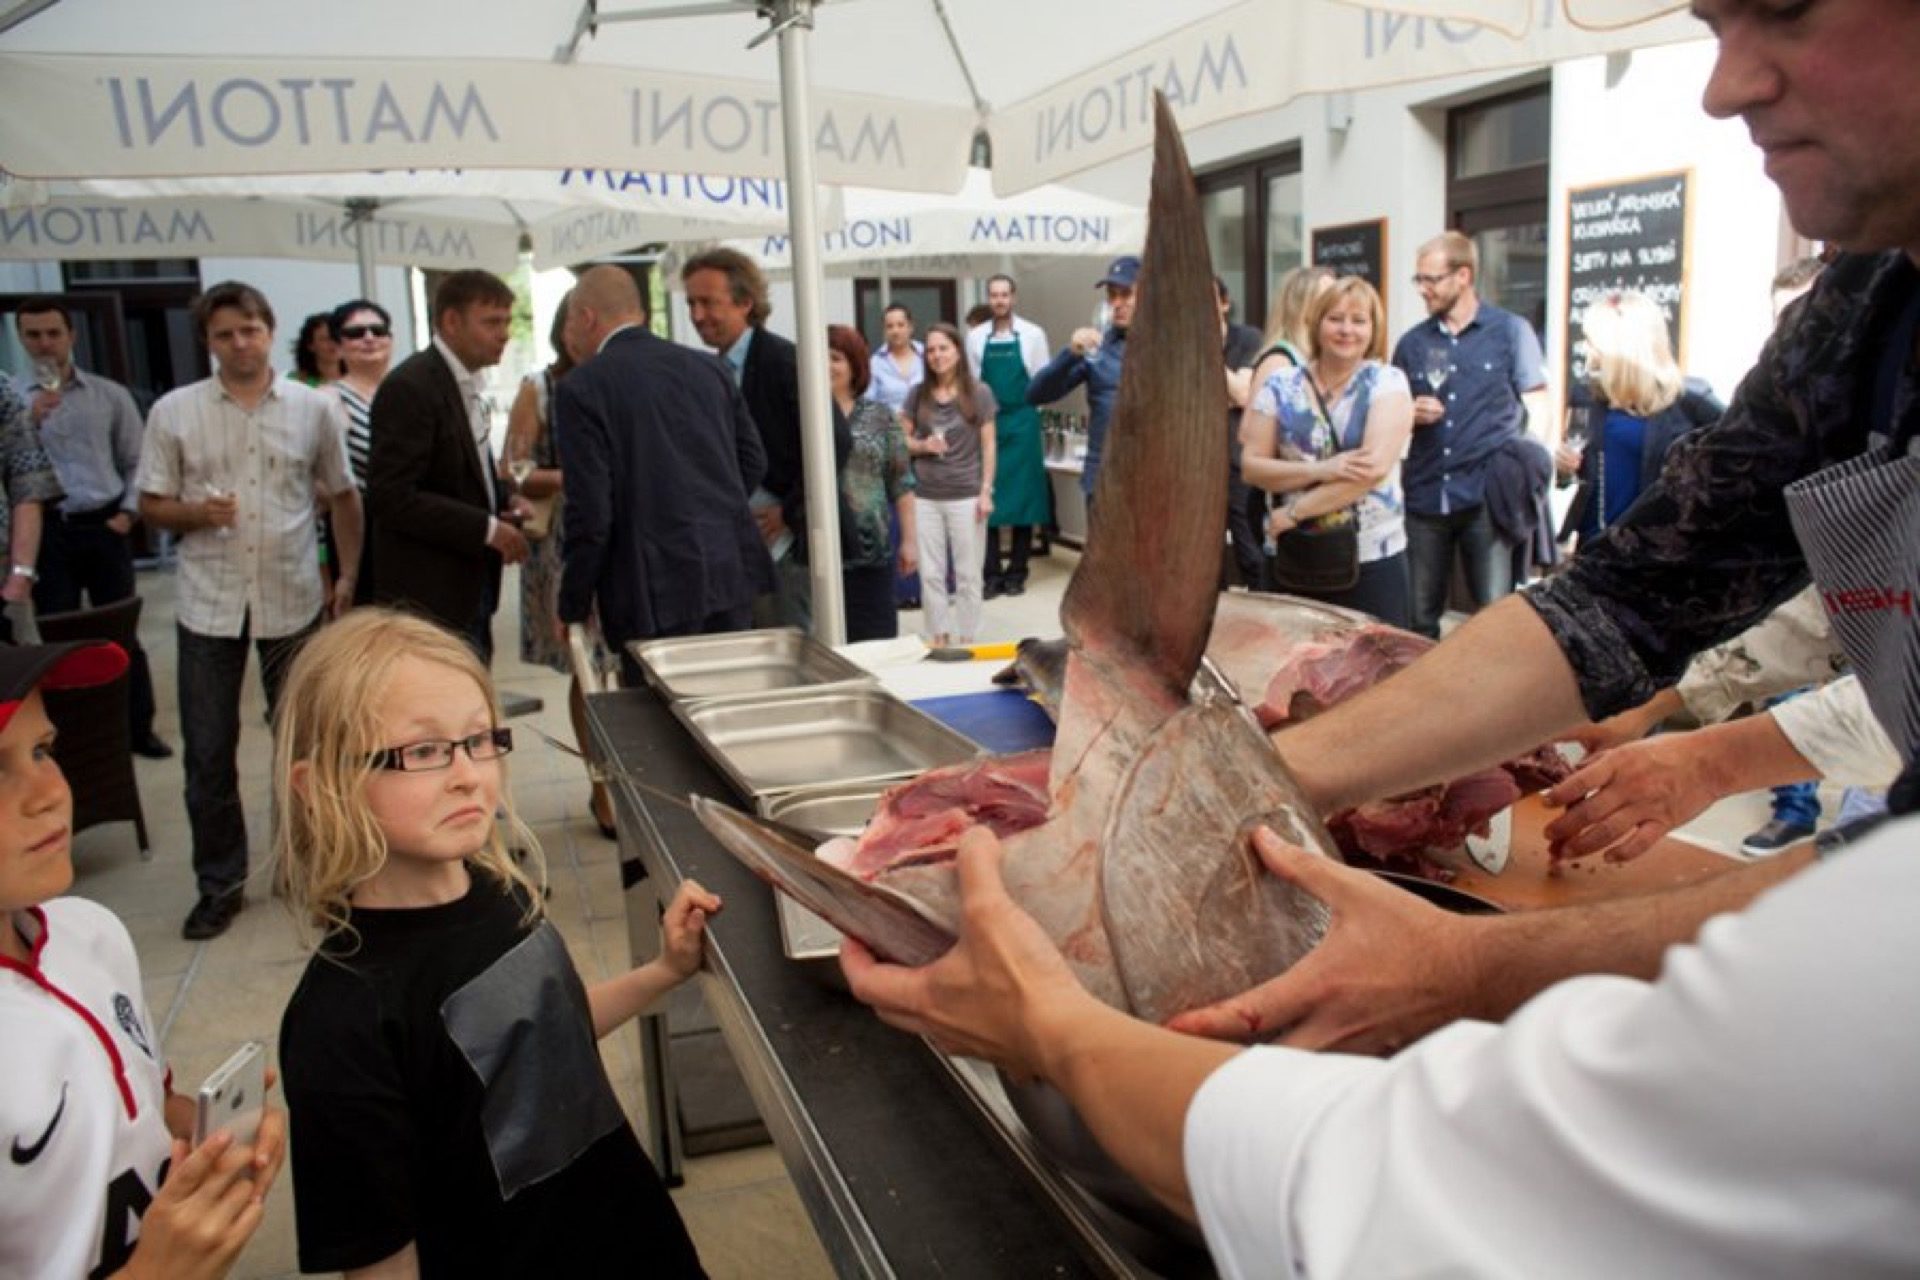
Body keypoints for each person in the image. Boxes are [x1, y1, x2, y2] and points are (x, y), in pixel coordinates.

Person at [271, 609, 712, 1278]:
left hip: (632, 1237)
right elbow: (380, 1260)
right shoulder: (343, 1020)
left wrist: (663, 971)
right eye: (423, 751)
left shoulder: (498, 892)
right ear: (320, 785)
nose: (468, 775)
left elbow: (538, 1039)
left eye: (481, 741)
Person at [1, 637, 288, 1279]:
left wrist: (216, 1144)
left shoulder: (89, 934)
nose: (49, 790)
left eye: (43, 750)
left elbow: (145, 1111)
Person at [137, 280, 362, 942]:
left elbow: (344, 495)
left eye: (251, 330)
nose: (240, 343)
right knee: (208, 752)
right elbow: (151, 503)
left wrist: (347, 574)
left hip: (292, 596)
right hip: (209, 602)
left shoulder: (309, 408)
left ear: (269, 331)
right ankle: (220, 884)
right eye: (226, 333)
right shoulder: (175, 411)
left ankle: (322, 873)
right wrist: (191, 514)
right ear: (208, 341)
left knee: (308, 748)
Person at [555, 265, 772, 683]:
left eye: (567, 323)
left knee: (661, 731)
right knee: (728, 710)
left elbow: (591, 513)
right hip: (728, 574)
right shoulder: (709, 368)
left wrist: (573, 604)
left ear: (585, 317)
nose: (566, 338)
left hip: (649, 586)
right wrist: (712, 508)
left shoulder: (583, 388)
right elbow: (752, 460)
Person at [14, 297, 169, 757]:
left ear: (71, 336)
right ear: (21, 339)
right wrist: (29, 420)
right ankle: (72, 737)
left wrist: (126, 514)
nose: (44, 344)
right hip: (46, 531)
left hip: (102, 525)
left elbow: (138, 458)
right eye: (34, 335)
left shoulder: (108, 395)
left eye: (52, 333)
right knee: (57, 637)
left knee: (121, 631)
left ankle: (138, 729)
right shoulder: (14, 403)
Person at [680, 246, 850, 632]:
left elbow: (836, 442)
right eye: (691, 303)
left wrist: (789, 512)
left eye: (708, 302)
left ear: (744, 303)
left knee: (790, 656)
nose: (697, 316)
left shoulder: (784, 361)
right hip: (739, 546)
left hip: (788, 547)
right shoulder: (708, 369)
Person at [1391, 230, 1548, 637]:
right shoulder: (1413, 344)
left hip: (1486, 496)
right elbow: (1387, 415)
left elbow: (1540, 405)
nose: (1423, 289)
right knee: (1419, 617)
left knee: (1493, 616)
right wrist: (1408, 413)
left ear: (1463, 276)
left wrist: (1533, 470)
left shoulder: (1511, 332)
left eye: (1431, 279)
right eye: (1419, 280)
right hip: (1426, 493)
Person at [368, 270, 528, 665]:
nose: (504, 333)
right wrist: (488, 528)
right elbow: (391, 497)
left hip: (469, 582)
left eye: (507, 322)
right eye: (491, 322)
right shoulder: (411, 386)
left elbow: (462, 474)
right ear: (451, 322)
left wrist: (503, 502)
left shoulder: (464, 382)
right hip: (430, 592)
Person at [1240, 276, 1414, 625]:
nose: (1346, 330)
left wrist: (1295, 512)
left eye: (1358, 320)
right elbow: (1251, 466)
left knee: (1379, 673)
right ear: (1316, 322)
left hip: (1369, 558)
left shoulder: (1387, 382)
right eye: (1335, 318)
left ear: (1373, 328)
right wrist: (1320, 470)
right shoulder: (1281, 385)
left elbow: (1371, 470)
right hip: (1293, 556)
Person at [1557, 290, 1723, 547]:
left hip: (1658, 551)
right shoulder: (1586, 396)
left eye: (1592, 342)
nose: (1587, 351)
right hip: (1595, 544)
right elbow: (1577, 474)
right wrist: (1564, 469)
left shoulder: (1692, 401)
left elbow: (1732, 464)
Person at [1237, 265, 1335, 586]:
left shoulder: (1312, 359)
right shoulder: (1280, 361)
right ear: (1302, 305)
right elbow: (1248, 432)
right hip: (1280, 505)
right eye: (1326, 297)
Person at [901, 322, 996, 648]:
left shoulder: (979, 392)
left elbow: (989, 446)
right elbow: (902, 440)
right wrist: (924, 446)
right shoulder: (917, 394)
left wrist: (986, 491)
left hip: (966, 496)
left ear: (957, 351)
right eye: (930, 350)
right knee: (930, 574)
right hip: (926, 496)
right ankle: (938, 638)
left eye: (943, 348)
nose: (936, 355)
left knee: (969, 575)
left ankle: (969, 639)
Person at [827, 323, 916, 641]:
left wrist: (909, 540)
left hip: (871, 550)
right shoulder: (802, 416)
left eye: (835, 357)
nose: (826, 365)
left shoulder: (880, 416)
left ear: (854, 365)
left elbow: (901, 482)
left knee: (875, 643)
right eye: (819, 357)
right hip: (817, 554)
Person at [1027, 254, 1137, 504]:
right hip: (1103, 480)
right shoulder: (1096, 347)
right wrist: (1070, 354)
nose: (1117, 303)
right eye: (1112, 295)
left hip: (1152, 478)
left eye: (1126, 294)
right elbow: (1035, 394)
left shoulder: (1166, 348)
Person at [966, 274, 1050, 599]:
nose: (999, 300)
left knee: (1025, 502)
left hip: (1023, 422)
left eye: (1005, 295)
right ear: (989, 299)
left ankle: (1017, 572)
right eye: (994, 295)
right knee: (987, 501)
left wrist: (1031, 415)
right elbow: (972, 385)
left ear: (1013, 298)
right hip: (988, 422)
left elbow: (1043, 379)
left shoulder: (1032, 334)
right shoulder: (974, 337)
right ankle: (990, 576)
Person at [326, 297, 394, 606]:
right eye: (355, 333)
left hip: (411, 530)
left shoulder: (408, 390)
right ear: (338, 347)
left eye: (377, 330)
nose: (369, 338)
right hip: (358, 534)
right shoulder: (327, 400)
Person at [1215, 274, 1268, 588]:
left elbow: (1243, 394)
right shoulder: (1178, 347)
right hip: (1199, 467)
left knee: (1251, 551)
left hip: (1240, 463)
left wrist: (1205, 349)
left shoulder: (1248, 339)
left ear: (1224, 303)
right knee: (1207, 556)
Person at [0, 379, 55, 647]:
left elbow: (29, 483)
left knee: (22, 679)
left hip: (3, 581)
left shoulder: (2, 391)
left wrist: (20, 576)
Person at [868, 302, 924, 414]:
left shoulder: (926, 355)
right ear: (884, 330)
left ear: (910, 327)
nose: (895, 331)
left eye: (900, 325)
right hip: (890, 428)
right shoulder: (875, 363)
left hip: (926, 427)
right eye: (890, 326)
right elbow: (869, 403)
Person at [289, 312, 340, 388]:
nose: (333, 343)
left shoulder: (359, 380)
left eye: (336, 336)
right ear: (311, 345)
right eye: (325, 339)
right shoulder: (294, 382)